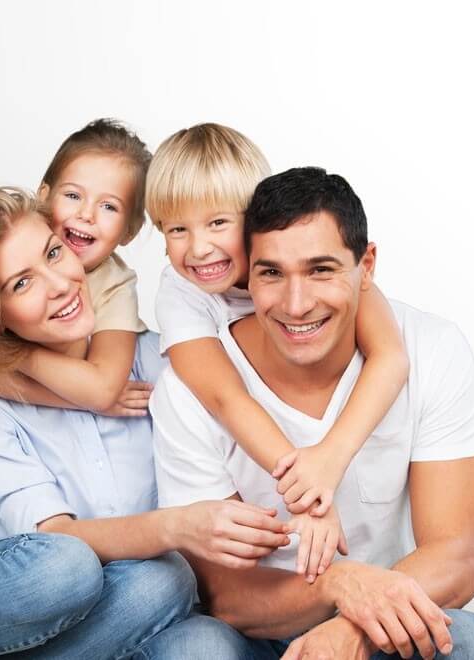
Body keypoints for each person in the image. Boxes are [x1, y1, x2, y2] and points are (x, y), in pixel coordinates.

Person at [0, 188, 290, 660]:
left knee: (201, 635)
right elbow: (56, 537)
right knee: (67, 566)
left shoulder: (163, 360)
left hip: (111, 609)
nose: (60, 284)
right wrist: (176, 527)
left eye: (54, 253)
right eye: (21, 283)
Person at [151, 167, 474, 659]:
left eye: (321, 270)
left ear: (366, 266)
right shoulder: (189, 387)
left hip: (387, 614)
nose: (296, 305)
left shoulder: (432, 348)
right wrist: (338, 586)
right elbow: (227, 596)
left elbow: (457, 558)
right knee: (192, 649)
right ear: (245, 273)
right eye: (272, 273)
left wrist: (353, 629)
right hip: (254, 631)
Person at [145, 124, 411, 580]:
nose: (198, 247)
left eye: (217, 223)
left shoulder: (315, 259)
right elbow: (226, 397)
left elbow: (391, 358)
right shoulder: (181, 293)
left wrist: (331, 457)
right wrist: (308, 493)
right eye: (176, 229)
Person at [0, 119, 155, 525]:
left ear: (130, 231)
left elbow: (101, 388)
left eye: (109, 206)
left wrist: (17, 358)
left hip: (65, 463)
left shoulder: (113, 284)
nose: (86, 215)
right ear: (44, 199)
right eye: (74, 195)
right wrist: (29, 363)